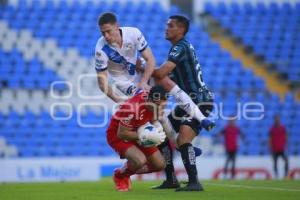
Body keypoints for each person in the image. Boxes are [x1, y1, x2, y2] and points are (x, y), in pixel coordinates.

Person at [152, 15, 215, 191]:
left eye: (170, 25)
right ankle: (171, 179)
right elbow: (168, 79)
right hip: (188, 102)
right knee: (162, 135)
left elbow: (161, 73)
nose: (166, 28)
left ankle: (194, 182)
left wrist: (144, 67)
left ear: (181, 30)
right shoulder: (181, 48)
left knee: (183, 138)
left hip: (200, 101)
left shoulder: (180, 47)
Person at [106, 85, 168, 192]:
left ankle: (127, 168)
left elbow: (153, 116)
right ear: (149, 99)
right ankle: (120, 176)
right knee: (140, 161)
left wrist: (157, 125)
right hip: (117, 135)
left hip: (138, 131)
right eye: (158, 105)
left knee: (160, 165)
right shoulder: (132, 108)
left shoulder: (155, 104)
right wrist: (146, 136)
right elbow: (122, 133)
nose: (160, 108)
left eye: (163, 106)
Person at [95, 12, 155, 102]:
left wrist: (144, 81)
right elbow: (102, 83)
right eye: (103, 33)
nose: (106, 36)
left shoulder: (133, 33)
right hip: (123, 80)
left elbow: (150, 59)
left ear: (117, 26)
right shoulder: (101, 49)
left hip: (138, 68)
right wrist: (119, 101)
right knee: (145, 98)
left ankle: (182, 107)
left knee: (162, 78)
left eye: (108, 31)